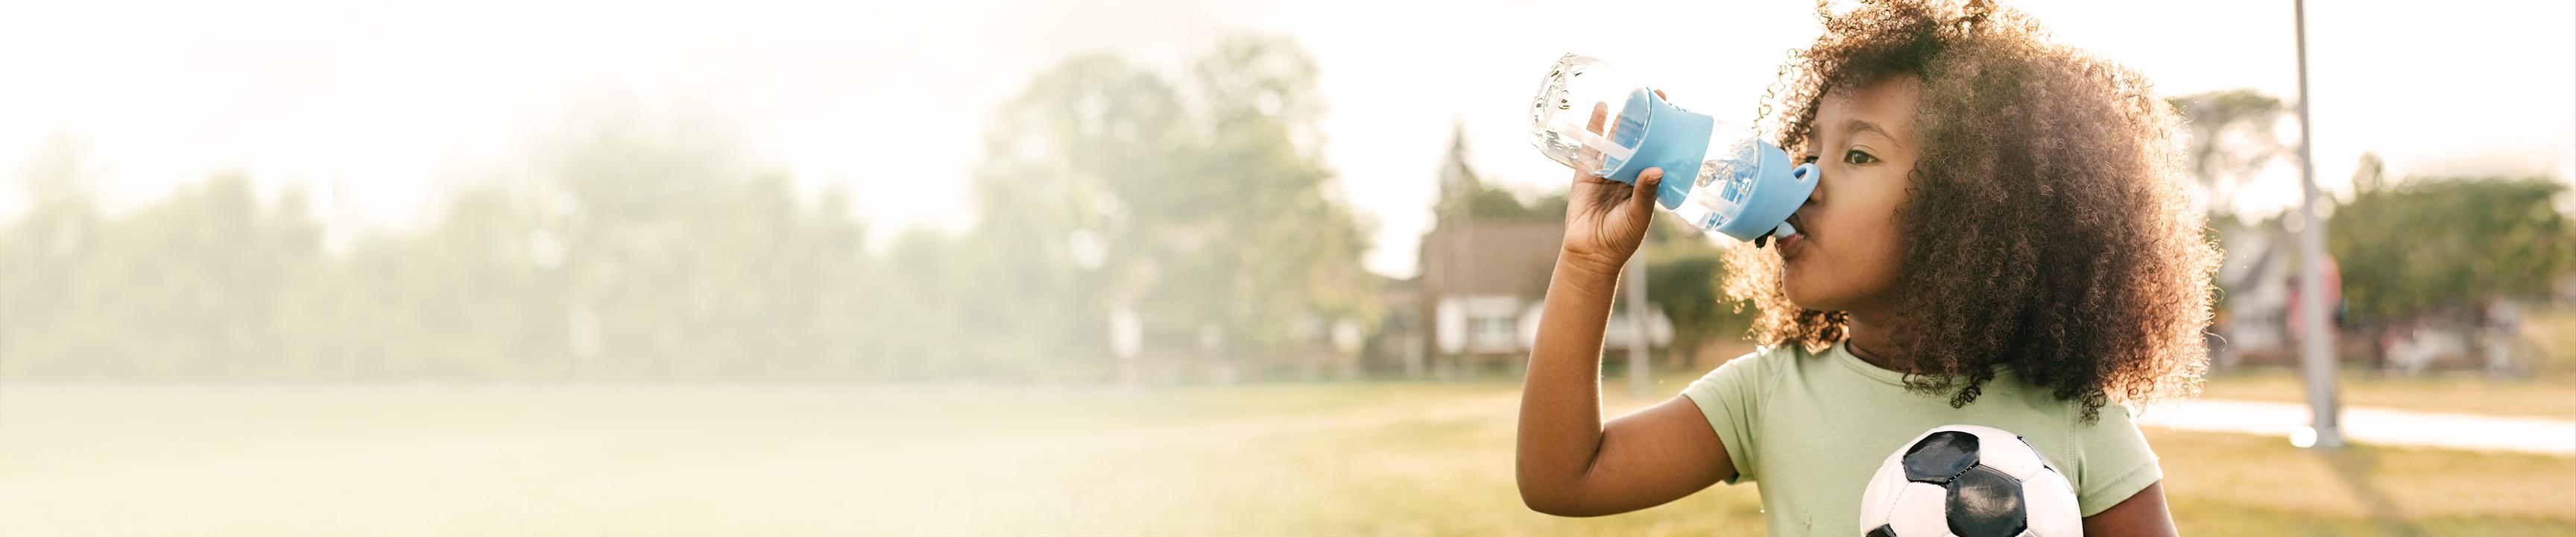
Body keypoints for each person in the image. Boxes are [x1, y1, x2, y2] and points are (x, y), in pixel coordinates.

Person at [1514, 1, 2217, 535]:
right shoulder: (1768, 396)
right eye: (1810, 149)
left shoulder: (2075, 419)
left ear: (1967, 208)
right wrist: (1587, 263)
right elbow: (1564, 478)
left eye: (1858, 156)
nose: (1805, 178)